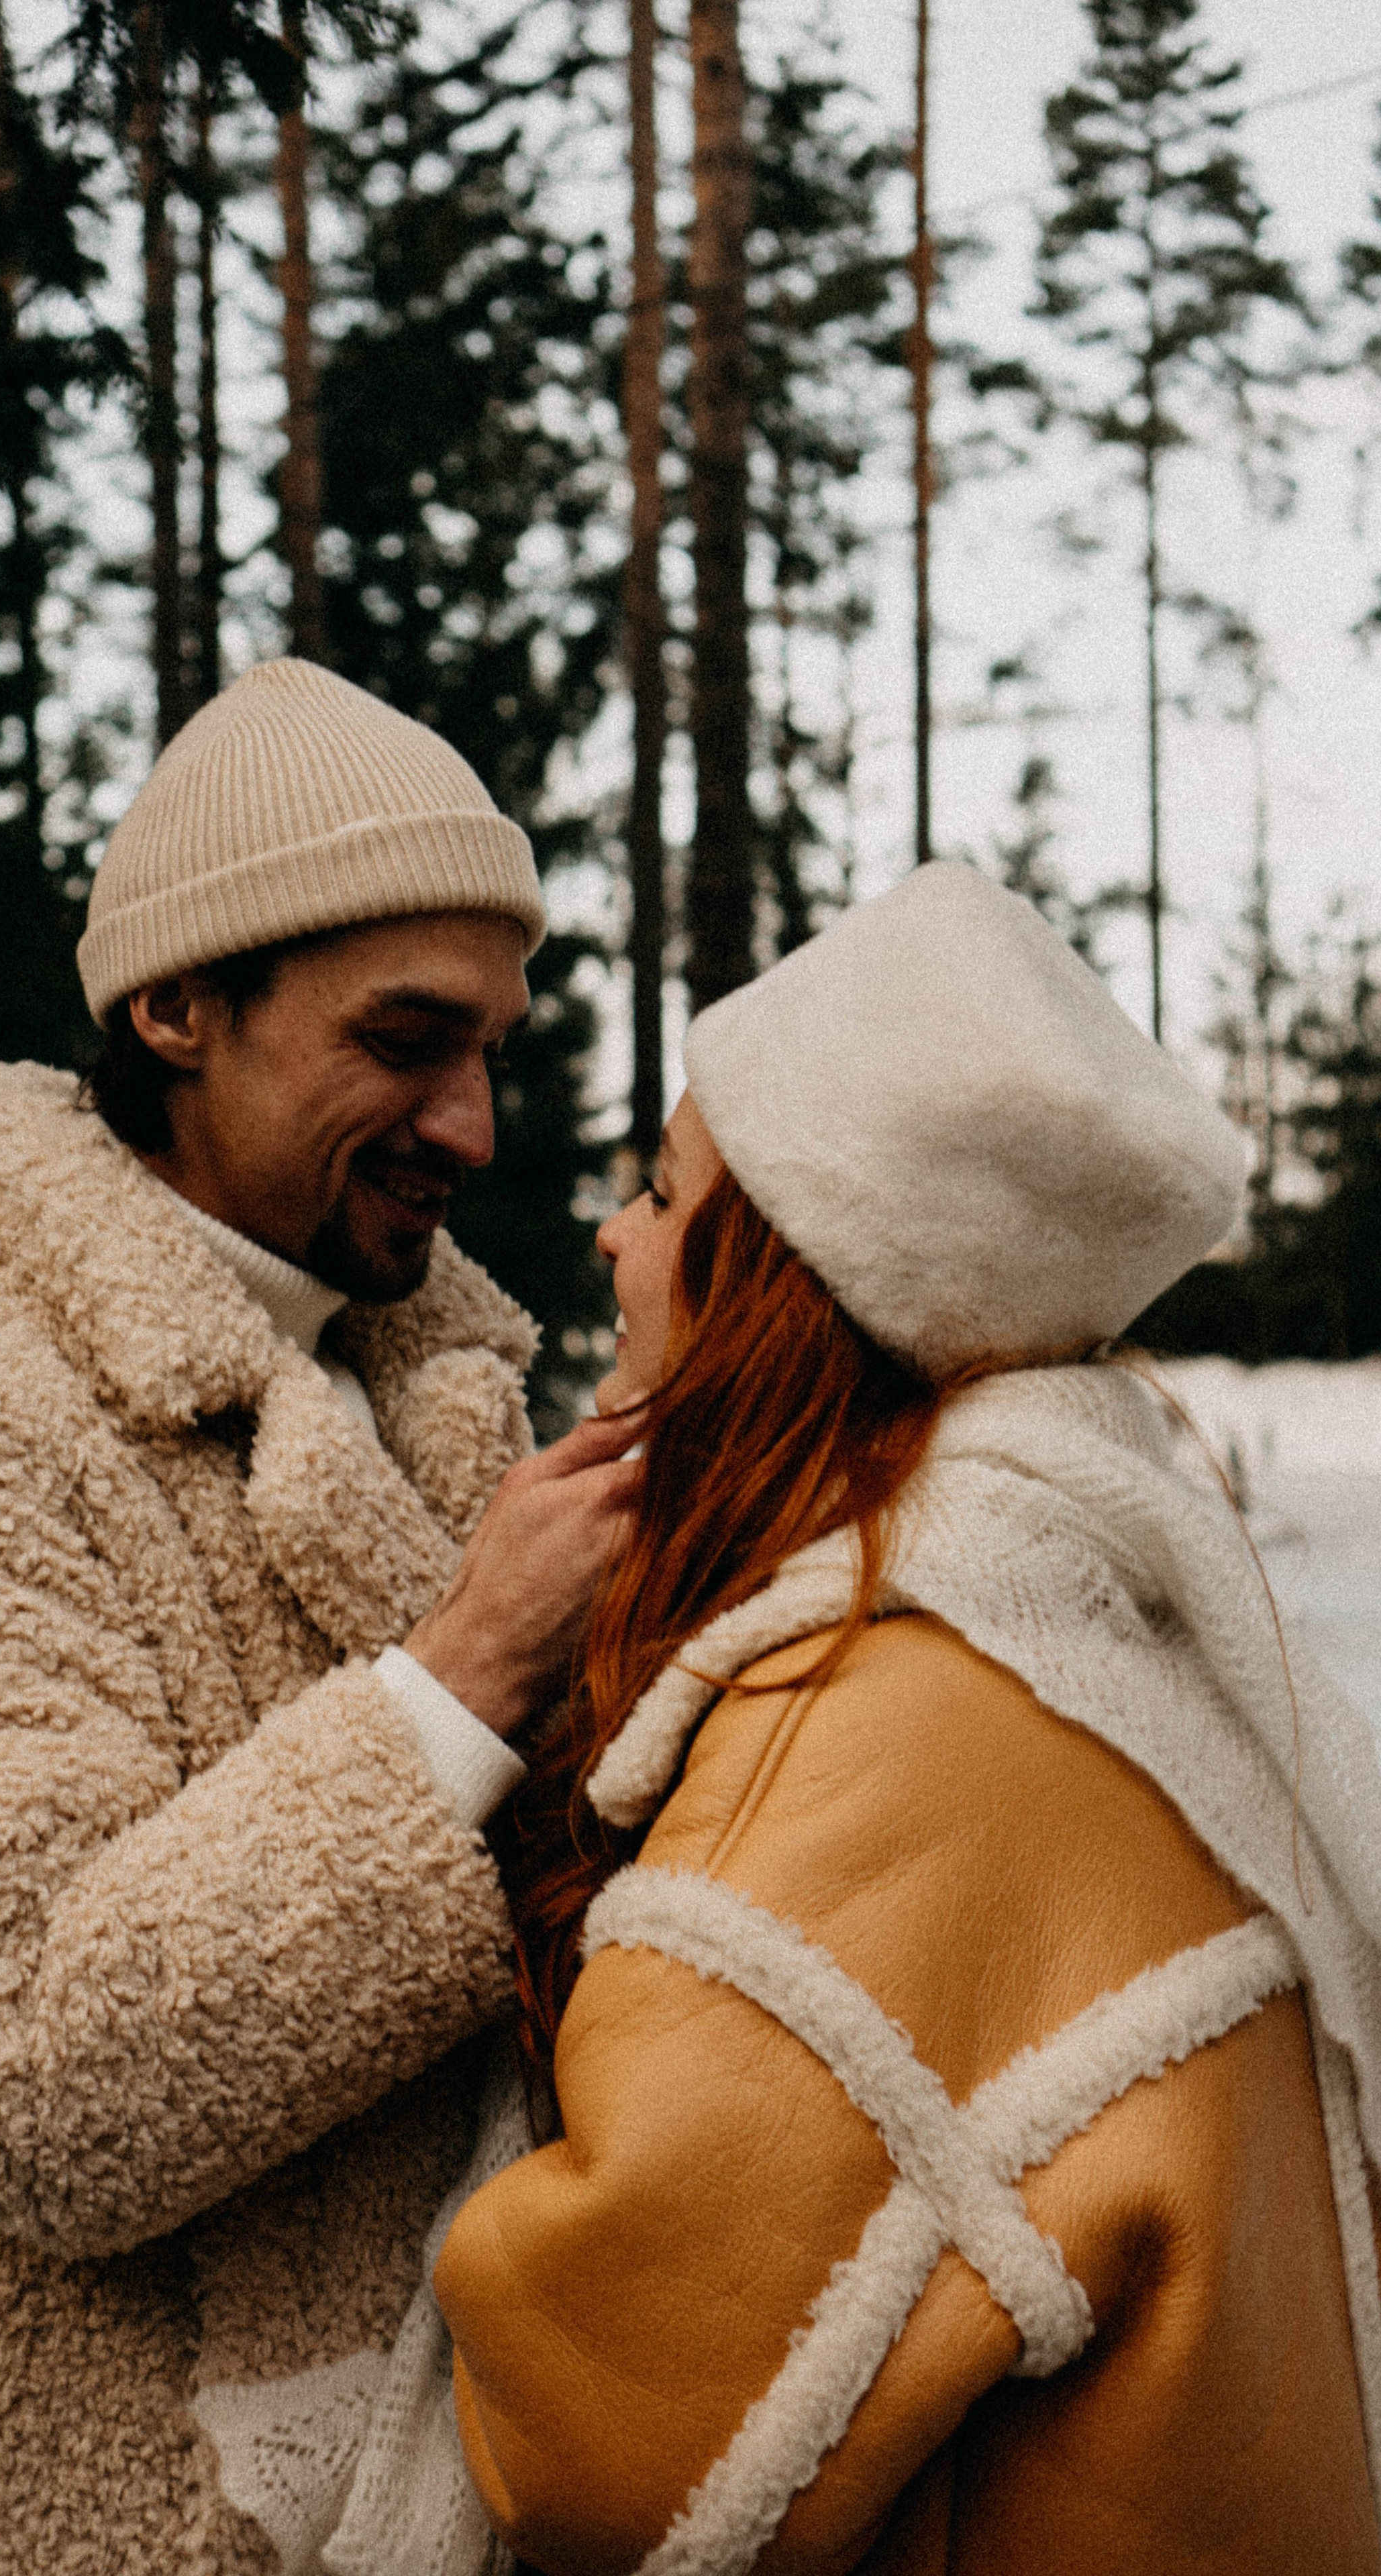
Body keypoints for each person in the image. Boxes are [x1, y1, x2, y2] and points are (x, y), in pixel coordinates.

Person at [0, 659, 639, 2576]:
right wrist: (464, 1679)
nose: (470, 1124)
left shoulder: (437, 1390)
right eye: (404, 1039)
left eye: (493, 1052)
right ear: (177, 1008)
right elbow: (38, 2080)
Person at [437, 861, 1381, 2575]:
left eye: (662, 1193)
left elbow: (614, 2442)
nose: (613, 1232)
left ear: (787, 1287)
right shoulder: (1082, 1636)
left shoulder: (883, 1724)